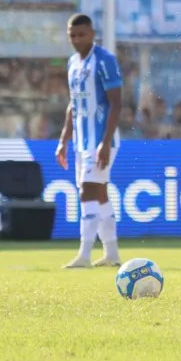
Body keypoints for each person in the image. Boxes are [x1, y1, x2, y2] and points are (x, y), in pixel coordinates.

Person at [57, 14, 123, 268]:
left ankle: (84, 254)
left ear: (92, 33)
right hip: (81, 142)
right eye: (72, 35)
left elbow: (116, 102)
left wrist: (105, 142)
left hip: (101, 140)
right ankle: (112, 254)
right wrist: (64, 139)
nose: (76, 40)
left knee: (86, 191)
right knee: (100, 195)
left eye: (81, 34)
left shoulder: (105, 61)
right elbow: (74, 104)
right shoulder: (73, 63)